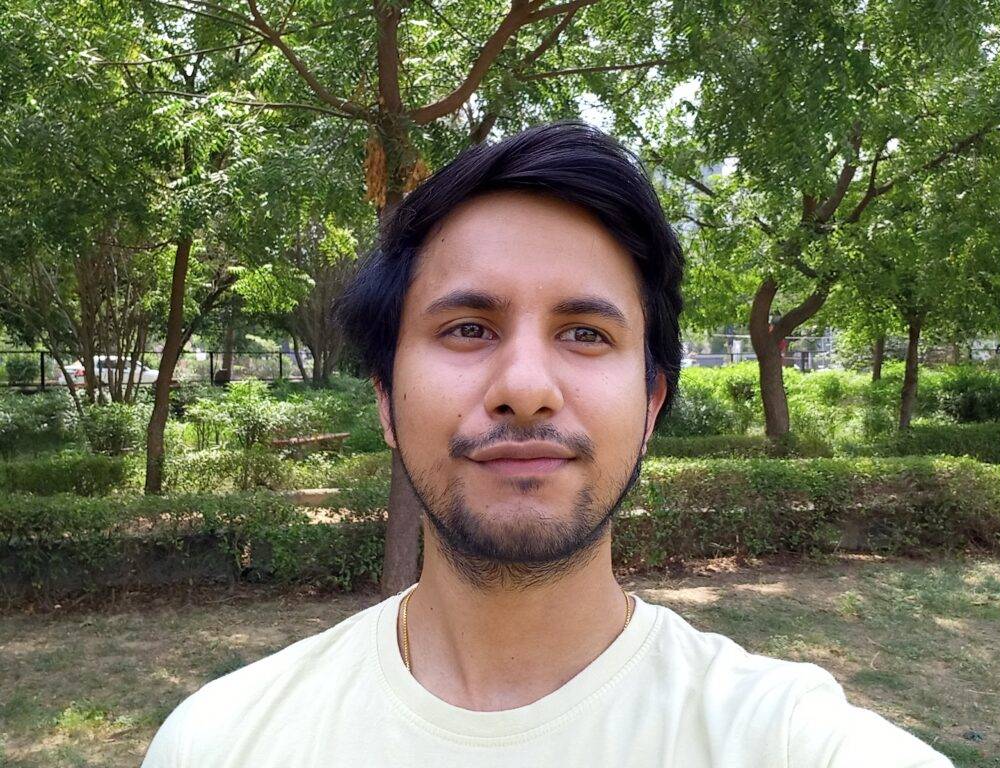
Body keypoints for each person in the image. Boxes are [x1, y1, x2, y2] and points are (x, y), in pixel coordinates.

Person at [141, 122, 952, 767]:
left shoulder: (788, 741)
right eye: (468, 328)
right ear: (386, 400)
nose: (525, 386)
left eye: (585, 333)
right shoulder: (219, 743)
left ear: (651, 403)